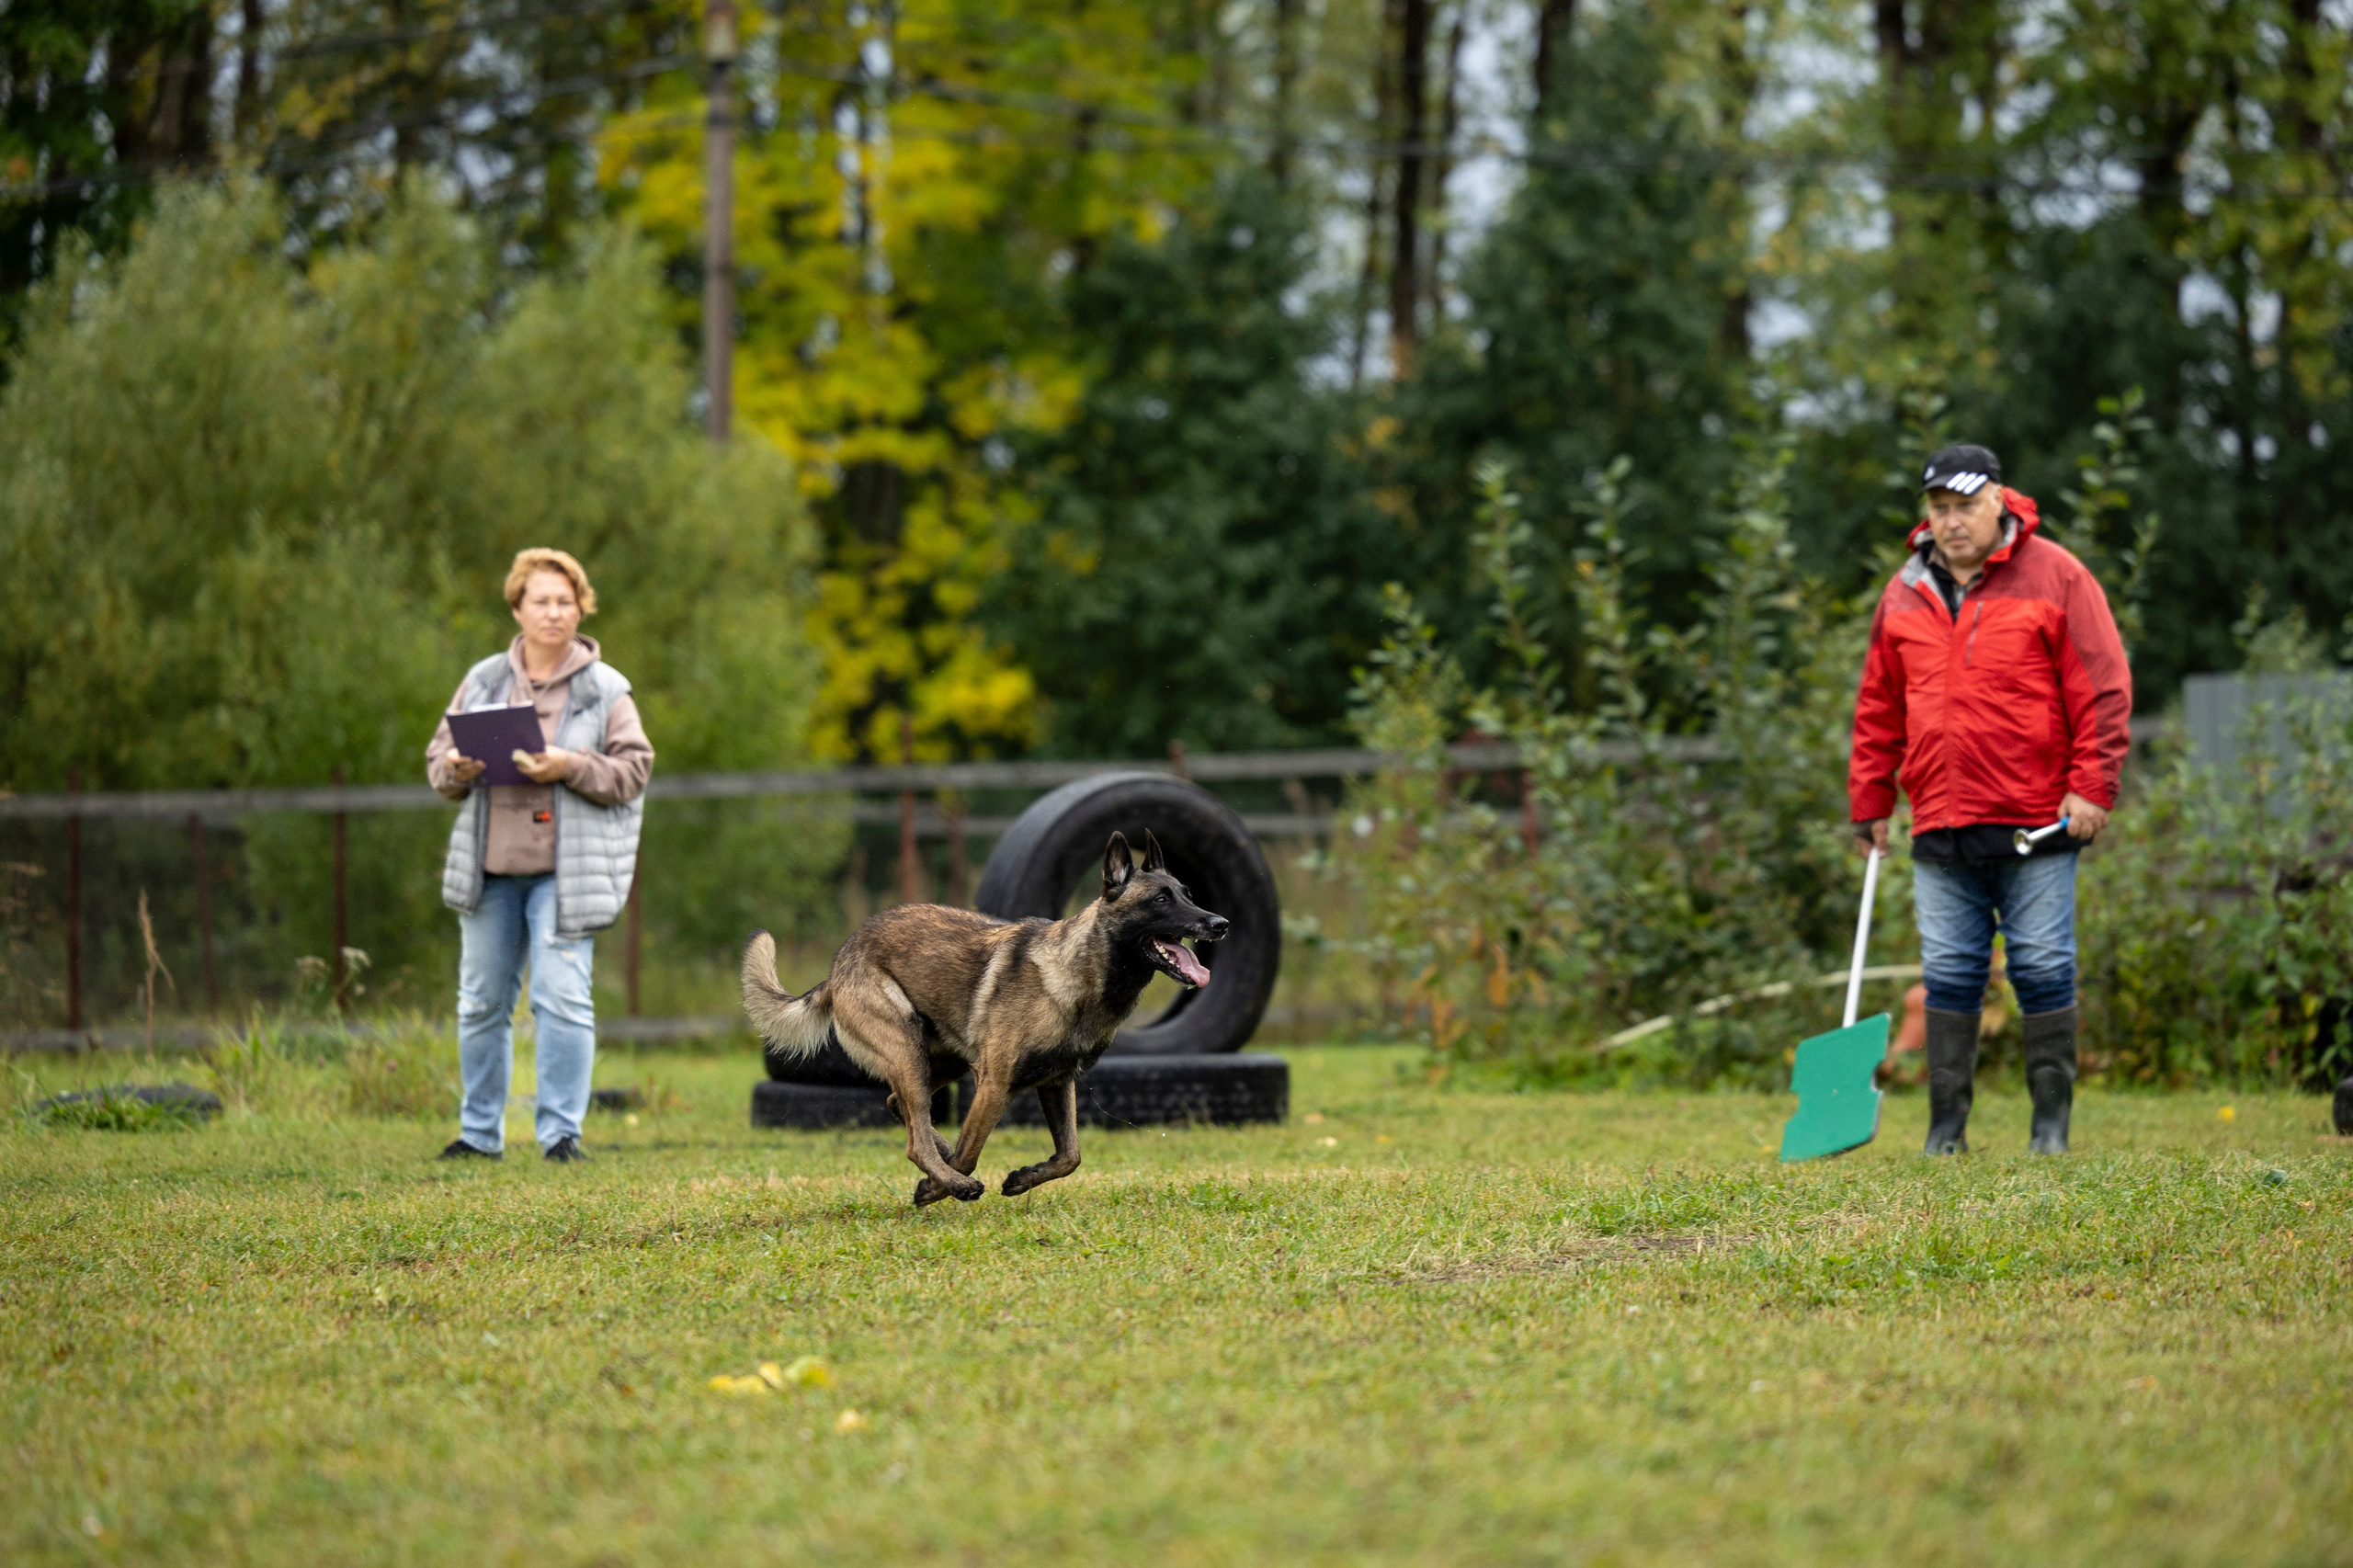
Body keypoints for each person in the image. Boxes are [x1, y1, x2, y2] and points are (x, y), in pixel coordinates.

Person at [1848, 444, 2131, 1155]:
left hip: (2038, 819)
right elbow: (1879, 708)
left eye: (1965, 505)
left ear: (2001, 500)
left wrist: (2092, 786)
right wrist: (1870, 801)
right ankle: (1946, 1132)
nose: (1952, 522)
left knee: (2040, 967)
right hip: (1940, 822)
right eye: (1939, 509)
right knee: (1948, 975)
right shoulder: (1904, 591)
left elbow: (2101, 685)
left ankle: (2050, 1130)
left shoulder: (2057, 575)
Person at [426, 549, 653, 1162]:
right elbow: (437, 763)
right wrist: (456, 767)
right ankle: (478, 1135)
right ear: (517, 608)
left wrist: (569, 765)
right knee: (480, 1002)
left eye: (565, 601)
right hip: (491, 871)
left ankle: (559, 1135)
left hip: (565, 874)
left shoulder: (606, 689)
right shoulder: (482, 681)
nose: (553, 612)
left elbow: (635, 769)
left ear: (581, 608)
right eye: (540, 601)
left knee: (560, 997)